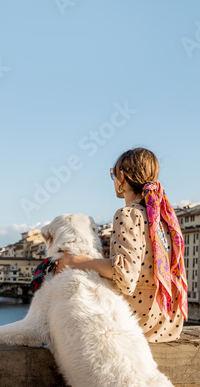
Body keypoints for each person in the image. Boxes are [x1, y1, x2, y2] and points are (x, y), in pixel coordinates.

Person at [57, 147, 187, 342]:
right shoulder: (165, 218)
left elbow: (124, 275)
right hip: (168, 326)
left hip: (136, 325)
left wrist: (73, 261)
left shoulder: (128, 215)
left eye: (113, 175)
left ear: (122, 178)